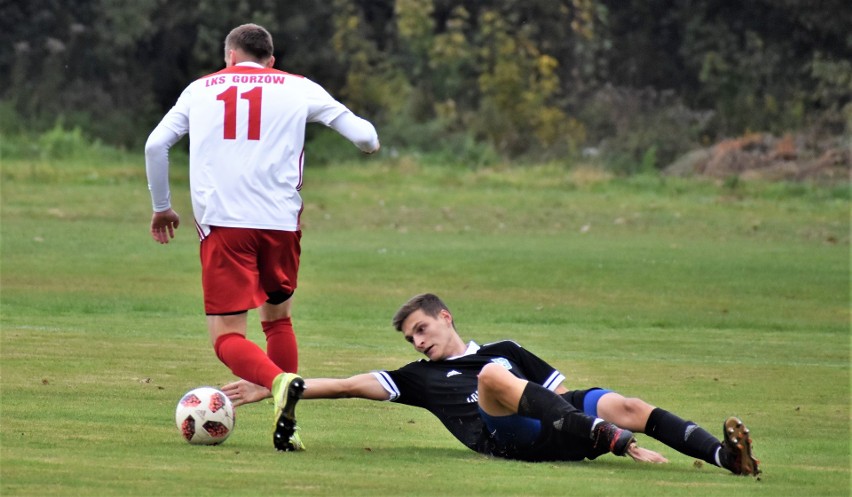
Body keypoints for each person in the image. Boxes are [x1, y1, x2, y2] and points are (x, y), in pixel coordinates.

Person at [144, 23, 380, 452]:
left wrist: (162, 206)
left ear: (229, 57)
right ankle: (288, 423)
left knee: (226, 336)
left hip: (226, 225)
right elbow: (366, 137)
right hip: (281, 224)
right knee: (278, 320)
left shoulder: (201, 89)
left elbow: (156, 146)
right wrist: (369, 148)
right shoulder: (298, 87)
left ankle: (277, 382)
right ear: (272, 61)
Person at [223, 293, 761, 476]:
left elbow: (552, 392)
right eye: (411, 338)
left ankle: (724, 458)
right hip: (507, 439)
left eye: (422, 330)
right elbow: (346, 385)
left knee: (628, 401)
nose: (417, 343)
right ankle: (609, 439)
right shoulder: (421, 379)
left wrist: (601, 417)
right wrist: (278, 385)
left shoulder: (505, 349)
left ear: (445, 317)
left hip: (558, 422)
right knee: (492, 381)